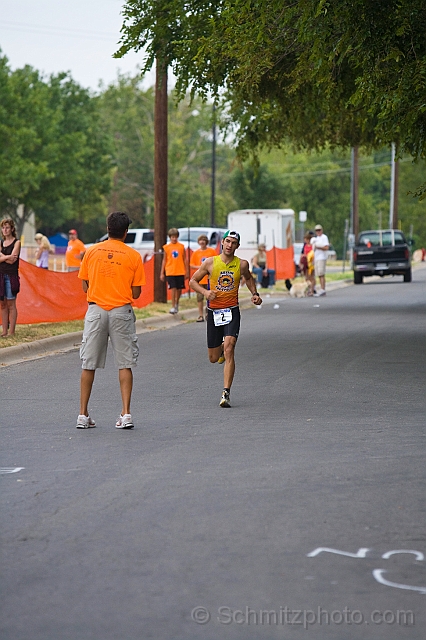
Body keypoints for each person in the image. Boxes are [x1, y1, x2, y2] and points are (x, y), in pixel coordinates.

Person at [76, 211, 146, 430]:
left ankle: (83, 414)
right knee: (125, 363)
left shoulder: (91, 252)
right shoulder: (133, 256)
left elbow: (84, 285)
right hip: (121, 312)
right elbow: (136, 293)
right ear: (126, 232)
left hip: (96, 310)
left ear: (107, 229)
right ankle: (126, 413)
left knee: (89, 363)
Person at [190, 230, 262, 408]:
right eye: (227, 241)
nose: (230, 245)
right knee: (213, 358)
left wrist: (254, 294)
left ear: (237, 246)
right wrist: (206, 292)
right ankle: (220, 348)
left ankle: (226, 393)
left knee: (230, 349)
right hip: (214, 312)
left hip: (232, 311)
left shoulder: (242, 264)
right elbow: (192, 281)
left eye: (233, 243)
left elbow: (248, 278)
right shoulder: (210, 263)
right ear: (222, 243)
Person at [0, 218, 21, 337]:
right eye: (3, 228)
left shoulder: (16, 242)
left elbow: (14, 259)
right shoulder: (0, 243)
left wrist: (3, 256)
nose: (5, 230)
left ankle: (11, 331)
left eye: (7, 227)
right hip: (1, 275)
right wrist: (7, 257)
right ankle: (4, 331)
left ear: (12, 229)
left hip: (11, 275)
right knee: (2, 304)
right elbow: (9, 258)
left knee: (11, 303)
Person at [160, 228, 188, 314]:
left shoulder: (181, 247)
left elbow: (185, 259)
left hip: (180, 270)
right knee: (173, 288)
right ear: (170, 237)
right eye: (172, 237)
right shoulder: (166, 247)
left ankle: (177, 303)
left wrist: (186, 271)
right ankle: (172, 306)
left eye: (175, 237)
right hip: (170, 270)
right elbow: (164, 260)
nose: (174, 239)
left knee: (179, 289)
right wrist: (162, 272)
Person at [190, 234, 217, 321]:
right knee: (199, 297)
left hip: (209, 279)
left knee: (210, 297)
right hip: (200, 280)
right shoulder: (196, 253)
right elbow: (191, 265)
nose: (202, 242)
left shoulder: (211, 251)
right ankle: (200, 315)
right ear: (198, 242)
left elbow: (216, 262)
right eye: (200, 240)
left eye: (204, 240)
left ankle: (209, 312)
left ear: (206, 242)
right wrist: (201, 268)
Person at [311, 224, 329, 296]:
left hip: (322, 257)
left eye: (319, 230)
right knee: (318, 273)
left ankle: (323, 288)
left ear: (321, 230)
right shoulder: (316, 239)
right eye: (316, 230)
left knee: (321, 273)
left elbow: (326, 247)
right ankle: (320, 288)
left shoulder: (324, 237)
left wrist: (319, 247)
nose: (318, 232)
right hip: (317, 257)